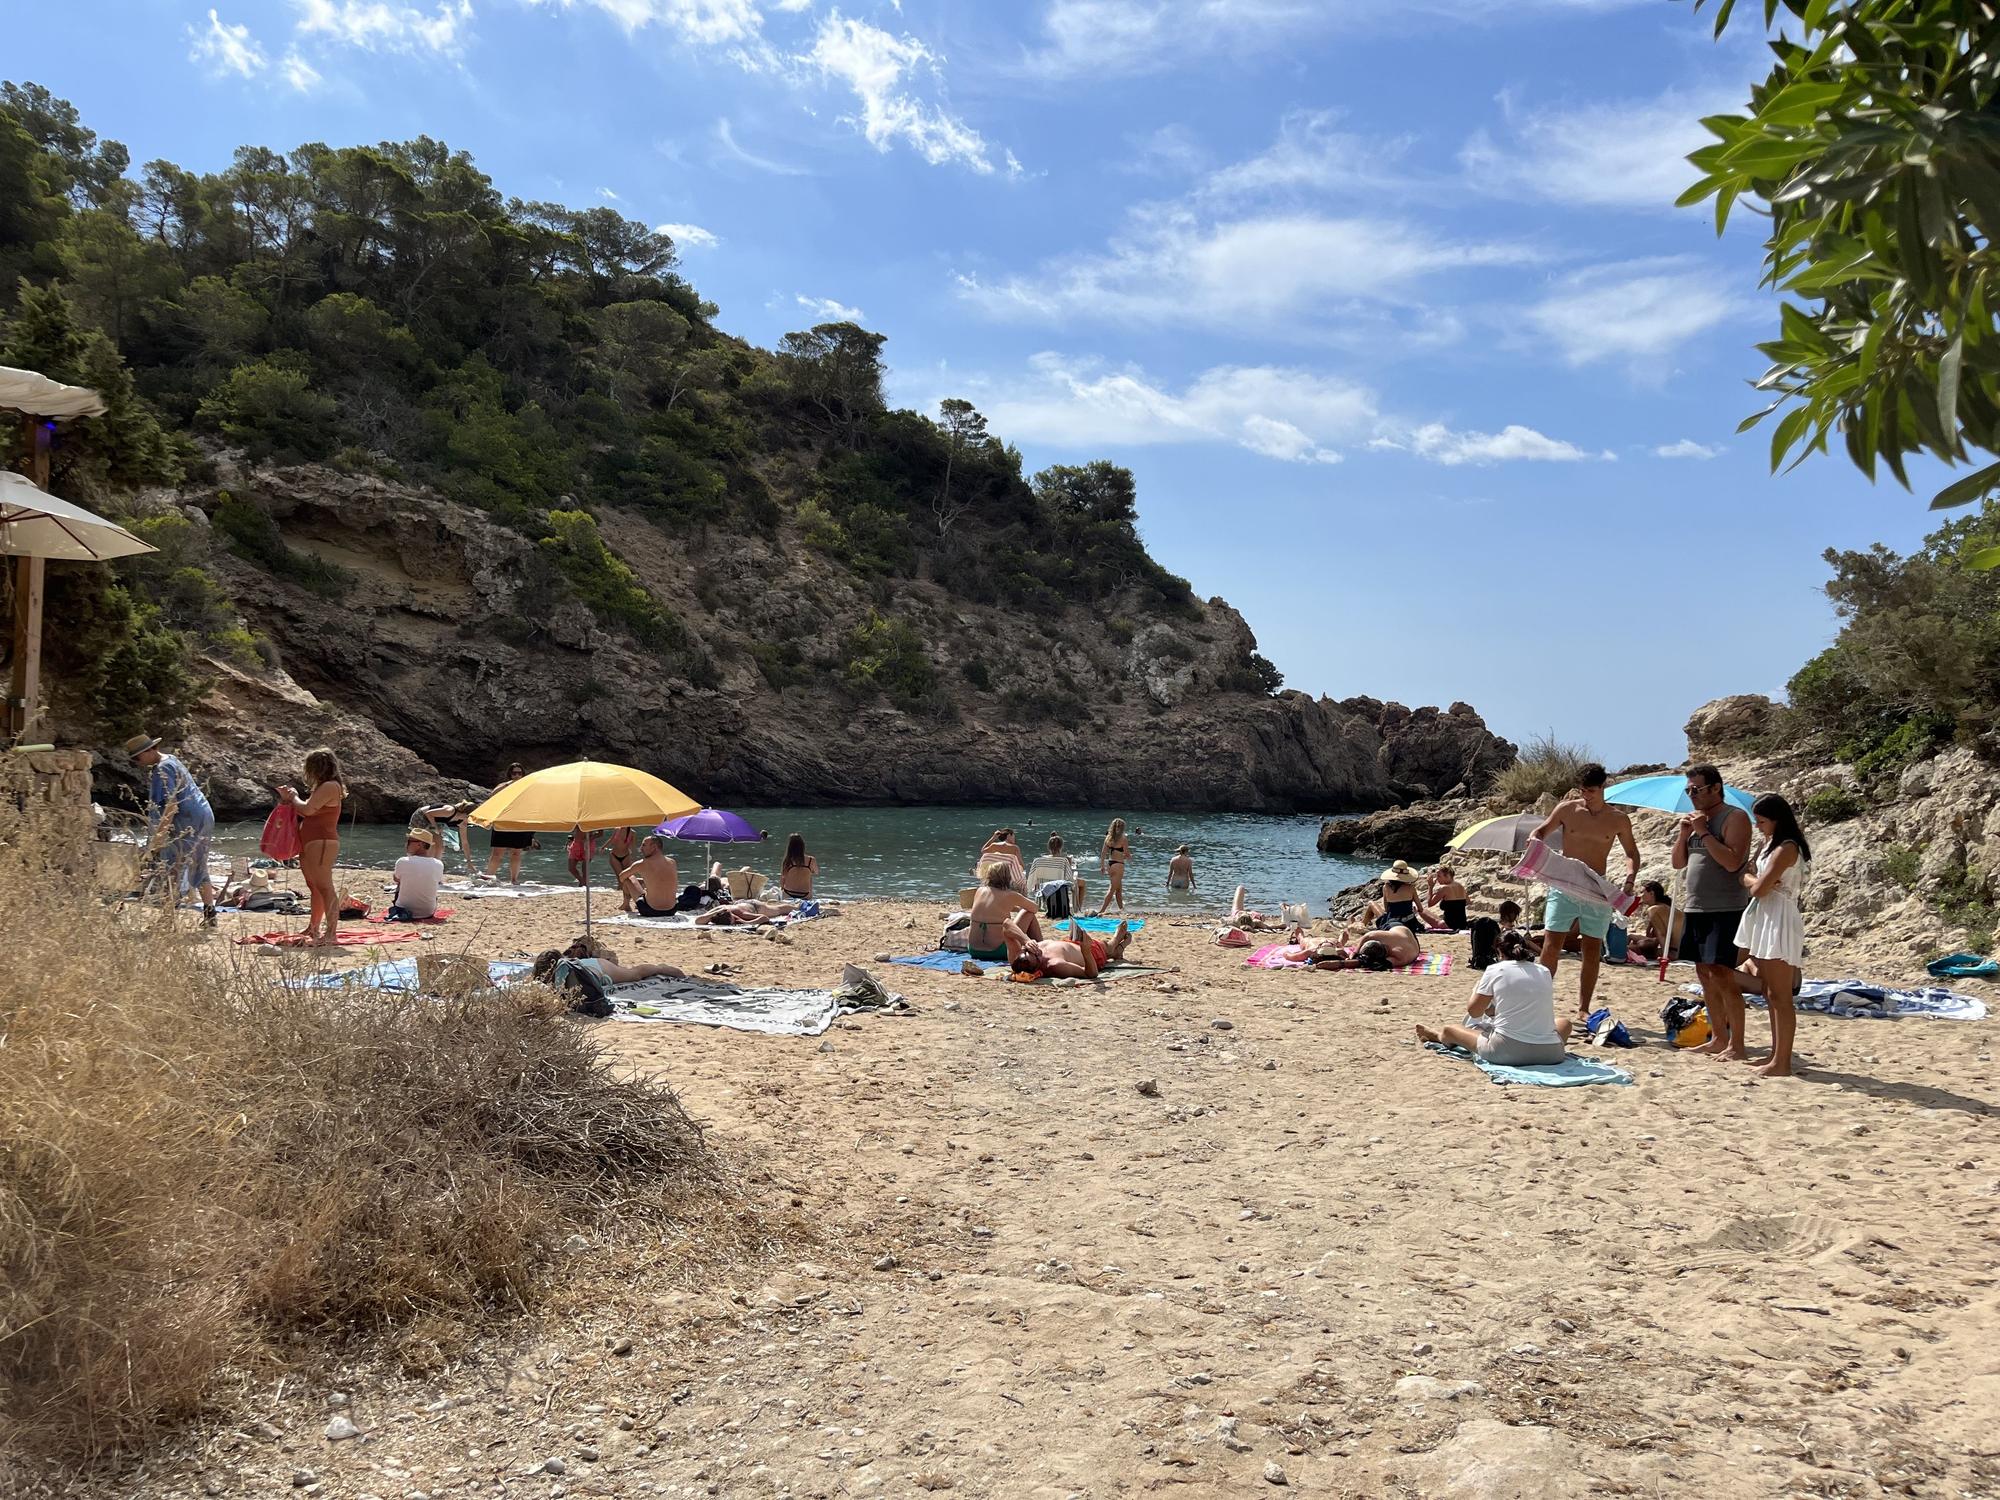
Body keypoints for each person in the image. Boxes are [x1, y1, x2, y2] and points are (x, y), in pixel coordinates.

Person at [1530, 764, 1641, 1018]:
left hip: (1596, 887)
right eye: (1583, 790)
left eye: (1591, 790)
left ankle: (1583, 1008)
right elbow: (1542, 830)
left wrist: (1630, 876)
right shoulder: (1568, 809)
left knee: (1591, 949)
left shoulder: (1617, 819)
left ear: (1603, 788)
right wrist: (1535, 840)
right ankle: (1539, 1002)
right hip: (1565, 882)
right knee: (1551, 943)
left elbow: (1631, 852)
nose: (1586, 795)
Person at [1672, 763, 1754, 1060]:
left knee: (1723, 974)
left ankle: (1738, 1044)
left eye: (1697, 789)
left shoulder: (1735, 818)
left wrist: (1704, 832)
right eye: (1688, 790)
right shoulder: (1696, 823)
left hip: (1725, 907)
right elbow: (1678, 863)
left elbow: (1733, 862)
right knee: (1703, 972)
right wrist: (1684, 835)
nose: (1692, 795)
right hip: (1696, 906)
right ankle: (1718, 1037)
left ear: (1716, 788)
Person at [1416, 929, 1573, 1065]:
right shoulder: (1543, 971)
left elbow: (1474, 1012)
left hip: (1506, 1052)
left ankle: (1438, 1036)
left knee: (1450, 1029)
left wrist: (1475, 990)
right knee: (1564, 1023)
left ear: (1499, 952)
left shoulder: (1495, 969)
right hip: (1551, 1054)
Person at [1736, 793, 1810, 1077]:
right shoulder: (1769, 846)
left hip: (1779, 916)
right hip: (1767, 914)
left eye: (1762, 821)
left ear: (1777, 820)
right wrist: (1753, 879)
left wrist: (1752, 880)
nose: (1759, 826)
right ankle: (1775, 1054)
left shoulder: (1787, 848)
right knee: (1769, 991)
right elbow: (1750, 876)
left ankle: (1783, 1061)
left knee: (1780, 994)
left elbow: (1757, 887)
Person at [124, 732, 219, 926]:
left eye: (138, 757)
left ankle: (167, 919)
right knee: (198, 864)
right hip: (203, 814)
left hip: (187, 819)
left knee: (171, 867)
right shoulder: (171, 759)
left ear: (150, 750)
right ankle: (210, 914)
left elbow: (171, 805)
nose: (138, 762)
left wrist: (158, 837)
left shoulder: (162, 769)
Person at [278, 747, 345, 947]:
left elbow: (307, 809)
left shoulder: (331, 786)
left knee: (325, 886)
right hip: (310, 840)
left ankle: (331, 933)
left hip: (322, 841)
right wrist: (289, 800)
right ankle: (313, 927)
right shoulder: (322, 787)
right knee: (314, 886)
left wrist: (293, 797)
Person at [1002, 908, 1132, 978]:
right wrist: (1086, 951)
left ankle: (1117, 951)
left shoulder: (1017, 957)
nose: (1036, 950)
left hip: (1067, 943)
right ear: (1038, 966)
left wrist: (1026, 940)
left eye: (1028, 950)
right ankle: (1115, 944)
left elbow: (1007, 924)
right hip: (1090, 954)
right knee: (1106, 947)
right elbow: (1090, 974)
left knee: (1028, 912)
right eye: (1036, 954)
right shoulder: (1055, 965)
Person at [968, 862, 1044, 959]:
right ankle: (1041, 946)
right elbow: (1034, 908)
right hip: (998, 951)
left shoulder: (980, 891)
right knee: (1028, 913)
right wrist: (1018, 906)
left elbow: (994, 908)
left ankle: (1036, 946)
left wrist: (1013, 907)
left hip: (974, 950)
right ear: (1007, 877)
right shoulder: (1010, 895)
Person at [531, 942, 684, 988]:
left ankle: (660, 968)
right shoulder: (553, 972)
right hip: (591, 964)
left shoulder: (567, 973)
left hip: (600, 968)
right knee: (632, 973)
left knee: (634, 974)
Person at [1360, 860, 1442, 934]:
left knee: (1371, 903)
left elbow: (1386, 909)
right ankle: (1361, 925)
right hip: (1410, 924)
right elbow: (1420, 909)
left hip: (1392, 923)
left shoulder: (1386, 887)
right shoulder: (1411, 887)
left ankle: (1362, 925)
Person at [483, 762, 532, 883]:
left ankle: (514, 880)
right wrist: (509, 785)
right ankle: (489, 877)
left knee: (516, 853)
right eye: (514, 773)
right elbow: (492, 795)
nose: (516, 776)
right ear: (510, 774)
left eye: (519, 773)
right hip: (503, 821)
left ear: (523, 774)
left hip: (520, 822)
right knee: (497, 853)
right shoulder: (504, 786)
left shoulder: (527, 787)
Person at [1306, 922, 1423, 971]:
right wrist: (1351, 956)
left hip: (1410, 938)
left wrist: (1338, 963)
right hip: (1396, 928)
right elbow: (1355, 953)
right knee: (1383, 920)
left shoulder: (1400, 956)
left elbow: (1368, 964)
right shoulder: (1373, 935)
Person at [412, 798, 480, 878]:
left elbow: (465, 842)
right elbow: (428, 813)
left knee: (440, 847)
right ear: (466, 814)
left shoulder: (462, 822)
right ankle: (427, 871)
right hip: (421, 817)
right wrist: (435, 827)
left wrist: (469, 862)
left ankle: (434, 871)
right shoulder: (450, 811)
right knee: (435, 845)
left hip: (435, 821)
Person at [389, 828, 445, 921]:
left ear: (420, 844)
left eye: (409, 841)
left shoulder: (402, 861)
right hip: (428, 912)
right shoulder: (438, 864)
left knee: (402, 881)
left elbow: (396, 878)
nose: (406, 844)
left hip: (403, 909)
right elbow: (437, 881)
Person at [618, 835, 681, 917]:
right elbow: (660, 879)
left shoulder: (642, 863)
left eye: (643, 845)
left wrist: (640, 883)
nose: (640, 848)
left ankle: (626, 904)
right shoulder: (672, 862)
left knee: (629, 877)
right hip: (672, 910)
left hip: (651, 910)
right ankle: (627, 903)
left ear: (654, 847)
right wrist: (646, 881)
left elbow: (621, 877)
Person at [1024, 834, 1084, 908]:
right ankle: (1078, 909)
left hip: (1042, 895)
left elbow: (1030, 882)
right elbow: (1070, 881)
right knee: (1080, 883)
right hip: (1059, 897)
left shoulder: (1037, 861)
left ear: (1048, 847)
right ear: (1061, 847)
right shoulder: (1063, 861)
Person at [1630, 880, 1682, 960]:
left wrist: (1665, 956)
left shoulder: (1653, 909)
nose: (1640, 896)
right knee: (1635, 941)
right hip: (1684, 950)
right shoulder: (1667, 908)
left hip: (1674, 952)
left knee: (1632, 948)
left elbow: (1662, 934)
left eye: (1642, 892)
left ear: (1651, 893)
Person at [1095, 818, 1131, 916]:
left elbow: (1103, 853)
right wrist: (1129, 856)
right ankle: (1101, 910)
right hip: (1119, 865)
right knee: (1112, 889)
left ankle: (1122, 910)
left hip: (1110, 864)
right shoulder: (1123, 838)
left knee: (1118, 889)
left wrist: (1102, 866)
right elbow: (1127, 854)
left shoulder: (1108, 837)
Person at [1426, 866, 1469, 930]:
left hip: (1449, 925)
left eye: (1439, 876)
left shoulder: (1444, 888)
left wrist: (1430, 887)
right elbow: (1468, 901)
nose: (1437, 879)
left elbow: (1429, 904)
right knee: (1433, 916)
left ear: (1447, 876)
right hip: (1462, 924)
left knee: (1421, 910)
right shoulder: (1460, 886)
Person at [780, 833, 819, 898]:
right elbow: (816, 872)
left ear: (789, 847)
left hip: (788, 894)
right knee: (809, 873)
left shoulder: (788, 861)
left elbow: (782, 880)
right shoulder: (811, 860)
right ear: (802, 845)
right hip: (805, 895)